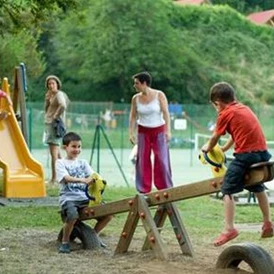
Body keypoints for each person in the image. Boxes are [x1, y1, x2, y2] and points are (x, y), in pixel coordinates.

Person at [201, 82, 273, 247]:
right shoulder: (243, 109)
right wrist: (224, 149)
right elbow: (236, 134)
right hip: (262, 153)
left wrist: (207, 148)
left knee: (226, 188)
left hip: (246, 156)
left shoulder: (225, 113)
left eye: (214, 106)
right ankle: (268, 222)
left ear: (217, 103)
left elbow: (214, 138)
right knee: (258, 186)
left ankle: (229, 229)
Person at [56, 132, 112, 253]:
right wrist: (83, 180)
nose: (77, 149)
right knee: (72, 216)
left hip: (85, 198)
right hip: (69, 198)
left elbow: (93, 175)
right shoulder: (60, 163)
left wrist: (96, 180)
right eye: (74, 146)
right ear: (65, 147)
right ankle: (65, 242)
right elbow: (66, 178)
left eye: (79, 147)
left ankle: (94, 236)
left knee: (108, 213)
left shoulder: (83, 163)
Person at [129, 71, 173, 193]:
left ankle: (164, 188)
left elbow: (166, 113)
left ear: (144, 83)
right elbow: (133, 116)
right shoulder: (135, 98)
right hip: (143, 131)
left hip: (158, 130)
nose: (135, 86)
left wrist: (168, 131)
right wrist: (131, 133)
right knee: (142, 159)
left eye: (136, 83)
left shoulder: (159, 95)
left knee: (162, 159)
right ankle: (144, 189)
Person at [44, 75, 69, 185]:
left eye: (53, 83)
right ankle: (65, 176)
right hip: (50, 124)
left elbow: (63, 105)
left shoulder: (59, 94)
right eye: (49, 84)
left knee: (53, 154)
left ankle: (54, 179)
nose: (51, 85)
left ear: (57, 84)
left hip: (54, 125)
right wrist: (47, 100)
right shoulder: (51, 95)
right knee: (58, 155)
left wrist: (55, 116)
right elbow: (46, 109)